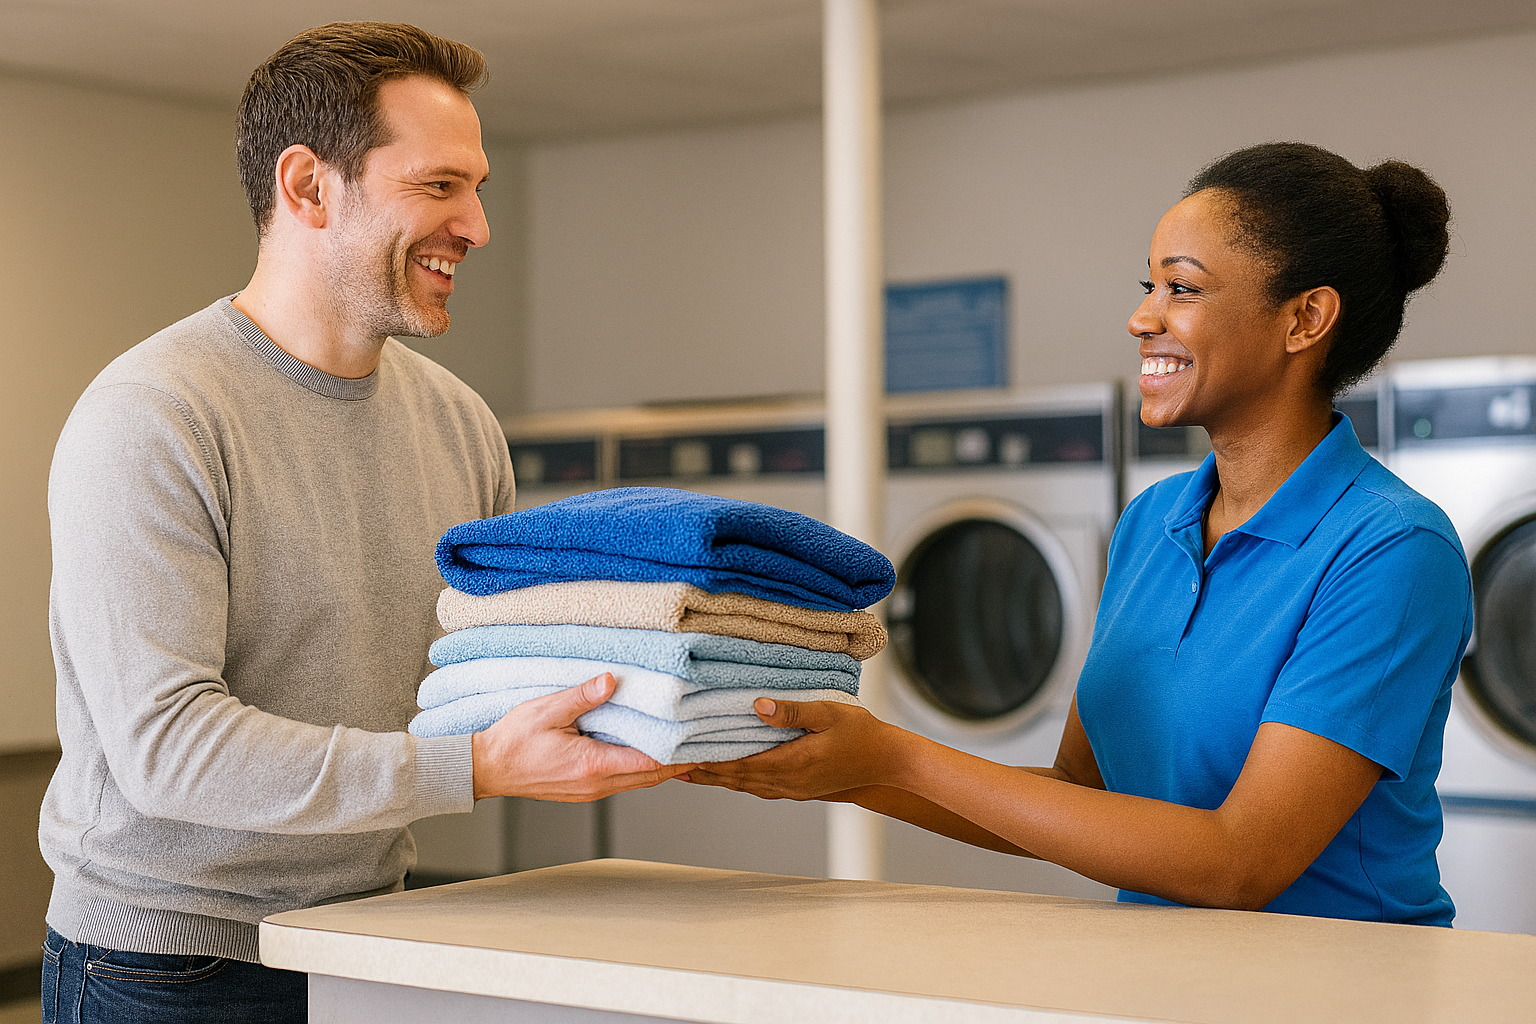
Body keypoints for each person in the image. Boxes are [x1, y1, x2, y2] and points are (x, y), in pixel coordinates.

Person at [39, 23, 685, 1024]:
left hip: (364, 937)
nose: (475, 226)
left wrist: (699, 687)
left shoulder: (460, 423)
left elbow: (496, 669)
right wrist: (471, 766)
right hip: (167, 966)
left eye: (478, 190)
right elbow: (166, 748)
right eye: (438, 187)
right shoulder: (154, 416)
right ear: (307, 188)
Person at [687, 142, 1470, 927]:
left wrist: (899, 756)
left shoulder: (1393, 550)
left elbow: (1242, 862)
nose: (1142, 318)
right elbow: (1075, 797)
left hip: (1348, 992)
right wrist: (840, 771)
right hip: (1162, 985)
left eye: (1182, 288)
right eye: (1148, 286)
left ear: (1306, 318)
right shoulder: (1151, 525)